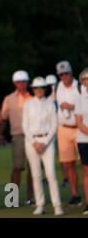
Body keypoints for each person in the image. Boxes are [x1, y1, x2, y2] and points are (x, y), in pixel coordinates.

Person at [22, 77, 63, 216]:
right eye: (36, 88)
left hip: (47, 142)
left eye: (41, 88)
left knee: (51, 174)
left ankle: (57, 206)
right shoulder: (28, 104)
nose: (39, 90)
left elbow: (54, 125)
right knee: (36, 175)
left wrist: (44, 142)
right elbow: (25, 126)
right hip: (31, 142)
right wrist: (34, 142)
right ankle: (40, 205)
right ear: (33, 89)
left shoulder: (51, 103)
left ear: (44, 89)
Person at [0, 70, 35, 205]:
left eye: (24, 81)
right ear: (15, 83)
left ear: (27, 82)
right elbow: (3, 119)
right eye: (19, 82)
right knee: (17, 168)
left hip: (32, 136)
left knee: (33, 168)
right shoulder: (8, 99)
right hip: (18, 136)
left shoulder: (33, 98)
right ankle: (13, 198)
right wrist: (0, 134)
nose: (22, 84)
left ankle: (30, 198)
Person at [55, 60, 82, 207]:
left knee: (86, 164)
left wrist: (72, 107)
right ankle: (75, 195)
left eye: (66, 73)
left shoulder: (79, 86)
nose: (64, 76)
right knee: (68, 164)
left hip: (79, 128)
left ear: (71, 72)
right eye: (61, 74)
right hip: (63, 128)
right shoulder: (58, 87)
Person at [74, 67, 88, 215]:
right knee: (86, 172)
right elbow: (79, 122)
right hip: (84, 140)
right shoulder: (79, 98)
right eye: (86, 80)